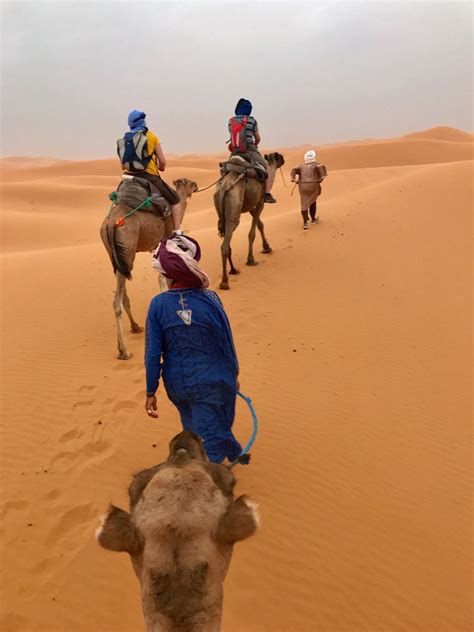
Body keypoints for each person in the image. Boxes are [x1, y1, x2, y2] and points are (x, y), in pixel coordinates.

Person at [144, 234, 242, 464]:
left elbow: (152, 354)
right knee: (211, 435)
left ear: (169, 275)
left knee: (193, 428)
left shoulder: (158, 305)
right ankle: (211, 477)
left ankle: (201, 465)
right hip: (211, 380)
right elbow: (225, 341)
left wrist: (150, 391)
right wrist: (234, 373)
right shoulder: (210, 299)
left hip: (177, 385)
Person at [119, 110, 184, 233]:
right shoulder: (152, 137)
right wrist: (161, 168)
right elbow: (162, 161)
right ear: (143, 122)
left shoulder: (125, 139)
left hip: (128, 176)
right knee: (175, 200)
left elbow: (122, 165)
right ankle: (177, 232)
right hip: (149, 177)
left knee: (118, 198)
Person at [228, 98, 277, 204]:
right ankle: (267, 194)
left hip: (235, 151)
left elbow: (232, 136)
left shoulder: (231, 121)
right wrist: (255, 144)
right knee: (267, 167)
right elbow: (258, 138)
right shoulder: (252, 120)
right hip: (250, 151)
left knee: (226, 169)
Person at [291, 149, 326, 230]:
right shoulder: (316, 164)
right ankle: (313, 219)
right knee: (313, 202)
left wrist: (293, 179)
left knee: (304, 204)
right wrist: (321, 178)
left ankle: (305, 223)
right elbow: (322, 171)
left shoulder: (301, 165)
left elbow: (293, 170)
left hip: (303, 187)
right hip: (313, 186)